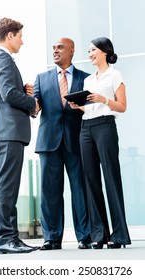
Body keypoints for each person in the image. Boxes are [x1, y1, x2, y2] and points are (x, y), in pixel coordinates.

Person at [69, 37, 131, 249]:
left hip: (105, 126)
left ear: (105, 51)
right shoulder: (88, 80)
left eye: (93, 50)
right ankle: (99, 233)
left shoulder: (115, 75)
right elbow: (89, 107)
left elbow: (122, 106)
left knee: (111, 177)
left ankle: (120, 234)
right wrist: (78, 106)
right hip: (86, 127)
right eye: (88, 51)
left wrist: (103, 99)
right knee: (91, 179)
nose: (90, 54)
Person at [0, 17, 40, 254]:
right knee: (6, 186)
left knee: (9, 186)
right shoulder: (2, 58)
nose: (22, 41)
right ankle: (4, 239)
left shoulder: (2, 60)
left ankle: (11, 238)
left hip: (9, 131)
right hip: (8, 131)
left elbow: (9, 92)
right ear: (10, 36)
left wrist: (24, 93)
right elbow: (8, 93)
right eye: (20, 36)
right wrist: (32, 101)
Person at [33, 37, 91, 250]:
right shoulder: (41, 78)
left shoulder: (87, 79)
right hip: (49, 142)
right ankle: (51, 237)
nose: (55, 51)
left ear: (72, 51)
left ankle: (84, 236)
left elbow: (91, 108)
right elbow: (36, 106)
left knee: (80, 190)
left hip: (77, 141)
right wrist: (32, 105)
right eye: (53, 48)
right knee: (50, 192)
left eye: (60, 48)